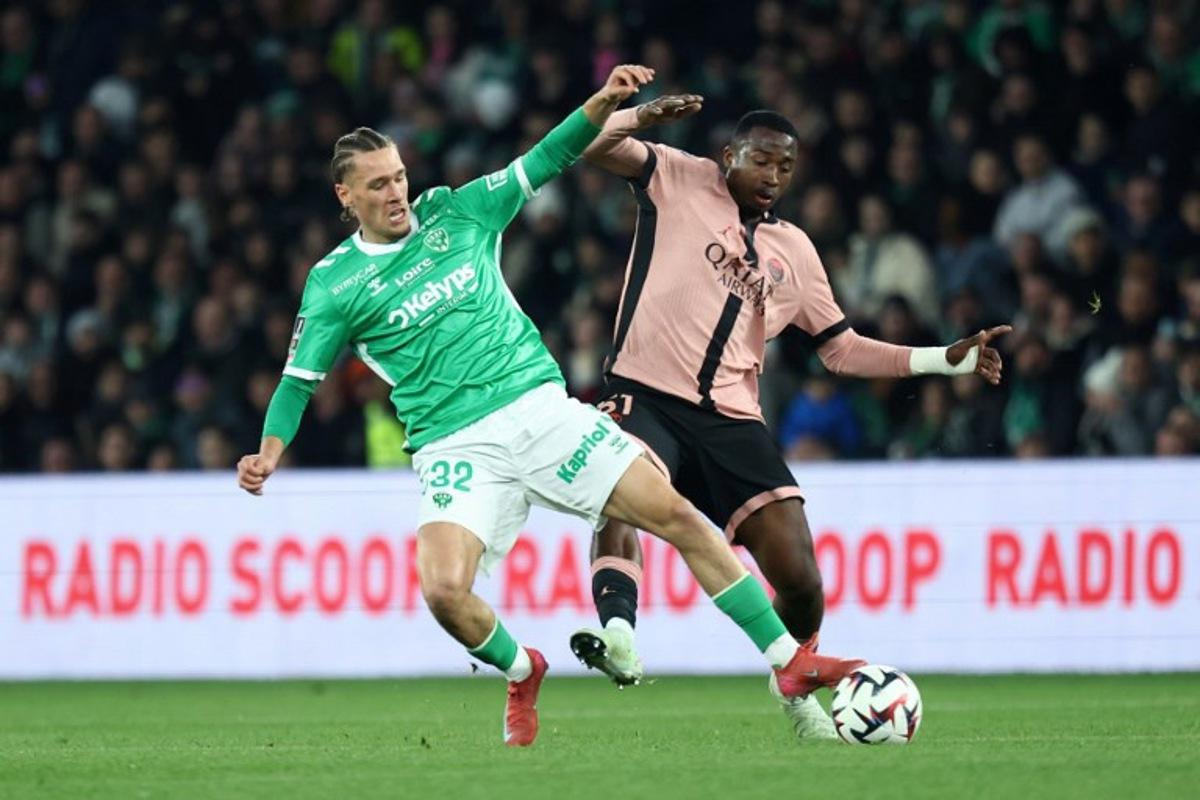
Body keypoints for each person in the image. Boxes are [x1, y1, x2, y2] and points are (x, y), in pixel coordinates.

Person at [235, 66, 861, 748]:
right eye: (379, 183)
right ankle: (522, 668)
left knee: (677, 515)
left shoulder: (458, 211)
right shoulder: (333, 283)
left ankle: (789, 663)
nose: (397, 192)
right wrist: (270, 451)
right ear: (345, 195)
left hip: (540, 411)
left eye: (400, 176)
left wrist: (605, 105)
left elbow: (548, 157)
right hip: (453, 445)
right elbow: (299, 381)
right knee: (444, 592)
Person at [573, 95, 1009, 739]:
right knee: (624, 492)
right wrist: (637, 117)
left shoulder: (796, 254)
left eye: (786, 166)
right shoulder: (677, 175)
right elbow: (588, 145)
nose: (774, 174)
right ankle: (618, 636)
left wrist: (943, 360)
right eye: (762, 160)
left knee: (803, 584)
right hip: (645, 392)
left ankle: (795, 693)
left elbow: (841, 349)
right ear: (729, 157)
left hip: (732, 420)